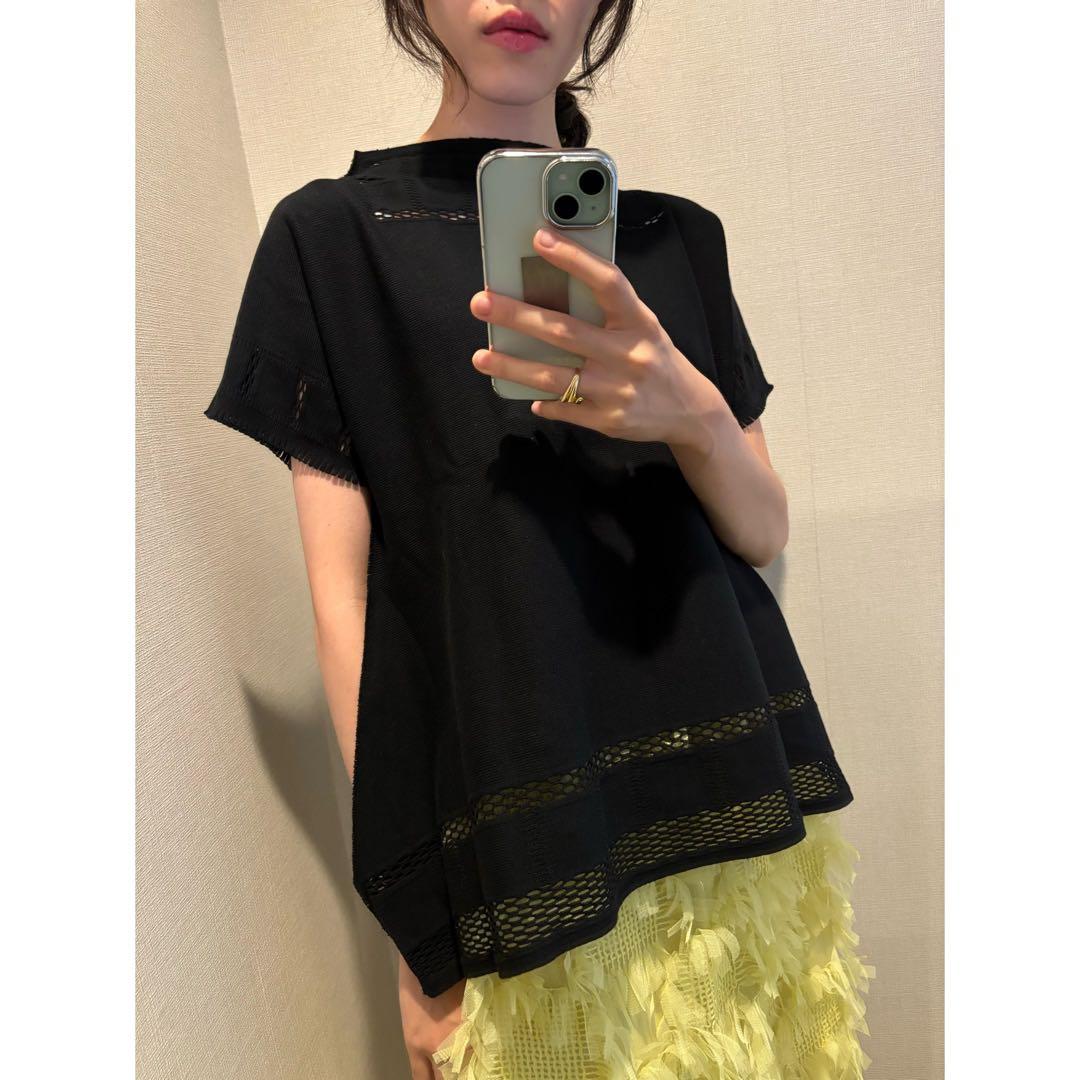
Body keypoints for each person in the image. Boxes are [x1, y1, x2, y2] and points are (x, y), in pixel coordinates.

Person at [204, 2, 875, 1077]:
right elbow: (347, 601)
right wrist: (416, 929)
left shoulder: (678, 239)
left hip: (735, 801)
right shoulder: (331, 238)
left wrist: (695, 415)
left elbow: (761, 529)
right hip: (523, 848)